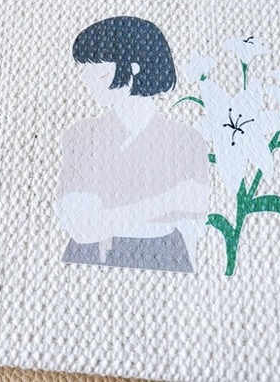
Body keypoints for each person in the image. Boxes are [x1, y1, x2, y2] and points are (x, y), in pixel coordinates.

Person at [55, 16, 209, 273]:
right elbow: (81, 227)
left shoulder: (187, 139)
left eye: (97, 67)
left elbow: (195, 224)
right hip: (88, 263)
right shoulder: (82, 134)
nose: (85, 77)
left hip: (167, 261)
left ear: (134, 67)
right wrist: (168, 201)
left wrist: (110, 217)